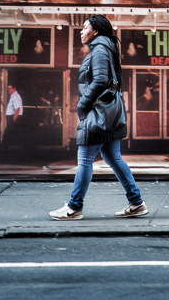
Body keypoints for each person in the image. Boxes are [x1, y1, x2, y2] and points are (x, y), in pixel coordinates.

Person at [49, 15, 147, 220]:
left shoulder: (100, 49)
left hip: (98, 114)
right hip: (109, 114)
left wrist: (83, 103)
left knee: (84, 160)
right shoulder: (106, 48)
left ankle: (74, 207)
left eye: (85, 28)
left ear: (96, 31)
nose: (81, 31)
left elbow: (101, 80)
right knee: (114, 158)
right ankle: (136, 202)